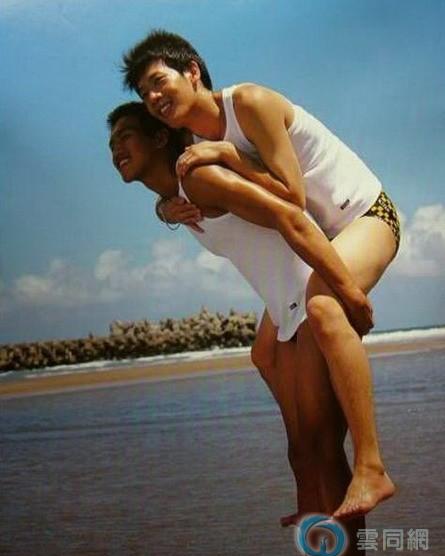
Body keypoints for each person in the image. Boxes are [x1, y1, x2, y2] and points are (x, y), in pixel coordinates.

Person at [120, 30, 400, 522]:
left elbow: (291, 199)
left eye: (159, 81)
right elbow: (171, 181)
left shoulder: (248, 103)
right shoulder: (192, 145)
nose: (153, 97)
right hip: (320, 242)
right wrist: (165, 208)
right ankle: (312, 503)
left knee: (323, 306)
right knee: (263, 352)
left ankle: (372, 465)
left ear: (192, 71)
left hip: (362, 215)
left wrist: (232, 156)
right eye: (144, 93)